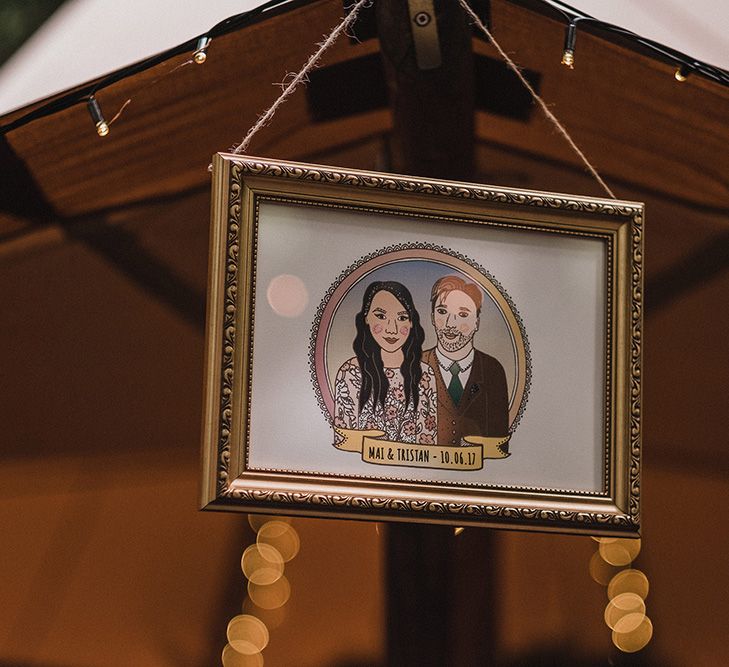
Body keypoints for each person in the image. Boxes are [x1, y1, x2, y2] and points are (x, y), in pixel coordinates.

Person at [334, 281, 438, 444]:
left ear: (411, 322)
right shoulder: (350, 372)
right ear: (366, 318)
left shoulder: (425, 374)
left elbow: (429, 440)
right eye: (381, 316)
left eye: (402, 318)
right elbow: (344, 440)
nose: (392, 329)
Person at [422, 275, 509, 446]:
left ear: (476, 322)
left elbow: (499, 441)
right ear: (432, 317)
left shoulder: (492, 370)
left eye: (462, 314)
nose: (450, 324)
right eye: (442, 311)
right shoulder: (415, 364)